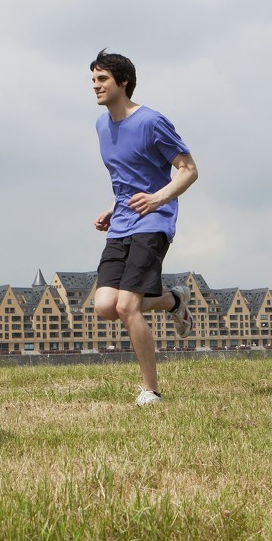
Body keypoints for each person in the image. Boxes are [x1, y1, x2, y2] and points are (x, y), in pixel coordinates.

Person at [89, 50, 198, 405]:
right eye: (93, 79)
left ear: (123, 81)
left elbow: (189, 169)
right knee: (106, 306)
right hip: (121, 222)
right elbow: (126, 179)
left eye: (102, 79)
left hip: (154, 221)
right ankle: (174, 300)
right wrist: (111, 209)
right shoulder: (101, 126)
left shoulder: (152, 121)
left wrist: (157, 199)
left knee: (127, 307)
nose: (96, 86)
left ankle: (151, 390)